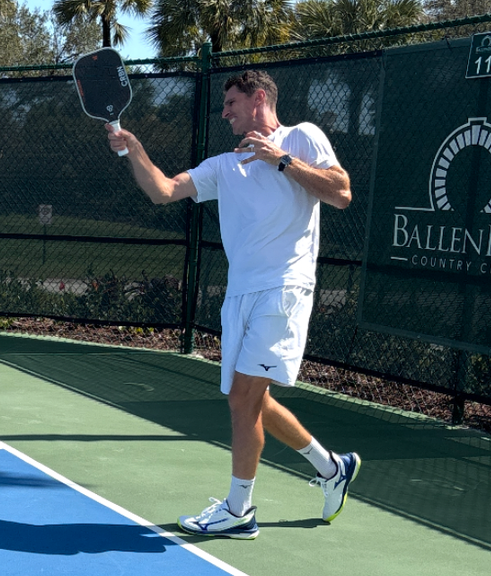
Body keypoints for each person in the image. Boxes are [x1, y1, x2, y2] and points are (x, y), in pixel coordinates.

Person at [106, 70, 359, 540]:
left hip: (285, 288)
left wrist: (280, 159)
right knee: (249, 400)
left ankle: (239, 510)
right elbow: (163, 190)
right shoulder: (224, 165)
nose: (224, 113)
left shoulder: (302, 137)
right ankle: (332, 469)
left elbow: (341, 193)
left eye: (231, 103)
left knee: (243, 398)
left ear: (259, 98)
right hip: (240, 296)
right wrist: (133, 148)